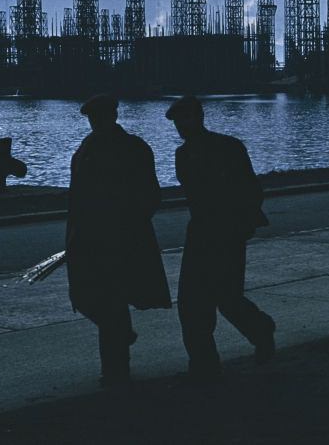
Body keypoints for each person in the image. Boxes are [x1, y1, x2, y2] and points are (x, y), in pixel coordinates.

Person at [165, 95, 276, 380]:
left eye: (185, 119)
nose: (181, 126)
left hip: (226, 232)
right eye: (178, 122)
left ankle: (260, 331)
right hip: (202, 232)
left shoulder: (227, 148)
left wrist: (243, 224)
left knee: (226, 298)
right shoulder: (184, 154)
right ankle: (205, 365)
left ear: (199, 117)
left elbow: (251, 189)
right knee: (193, 304)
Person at [66, 94, 171, 387]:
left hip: (119, 238)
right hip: (90, 238)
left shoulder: (130, 148)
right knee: (87, 297)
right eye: (93, 118)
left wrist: (128, 223)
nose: (95, 122)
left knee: (108, 299)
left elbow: (150, 195)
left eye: (98, 117)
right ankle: (121, 338)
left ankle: (115, 370)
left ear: (112, 116)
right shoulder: (88, 148)